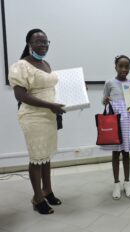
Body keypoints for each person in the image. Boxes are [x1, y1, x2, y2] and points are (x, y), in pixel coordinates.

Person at [9, 29, 65, 214]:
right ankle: (37, 198)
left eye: (45, 42)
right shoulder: (21, 65)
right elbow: (20, 95)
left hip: (49, 115)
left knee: (46, 156)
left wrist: (78, 88)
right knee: (36, 158)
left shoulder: (45, 63)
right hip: (33, 116)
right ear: (29, 44)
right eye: (38, 42)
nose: (43, 45)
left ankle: (47, 191)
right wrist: (49, 105)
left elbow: (52, 86)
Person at [102, 55, 130, 200]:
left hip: (129, 120)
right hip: (116, 121)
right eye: (121, 66)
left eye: (127, 67)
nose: (124, 69)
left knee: (126, 152)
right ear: (115, 67)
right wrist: (105, 101)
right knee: (115, 153)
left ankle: (127, 182)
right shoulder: (109, 83)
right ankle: (116, 183)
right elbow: (104, 101)